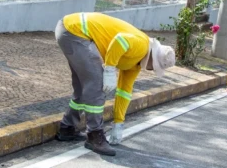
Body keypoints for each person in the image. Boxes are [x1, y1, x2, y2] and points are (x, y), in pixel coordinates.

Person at [54, 12, 176, 156]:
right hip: (75, 31)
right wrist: (110, 69)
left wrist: (119, 122)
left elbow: (124, 92)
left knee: (83, 87)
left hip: (69, 29)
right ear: (153, 60)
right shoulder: (142, 46)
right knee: (96, 84)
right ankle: (94, 136)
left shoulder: (135, 65)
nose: (151, 70)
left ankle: (67, 128)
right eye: (155, 67)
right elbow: (120, 40)